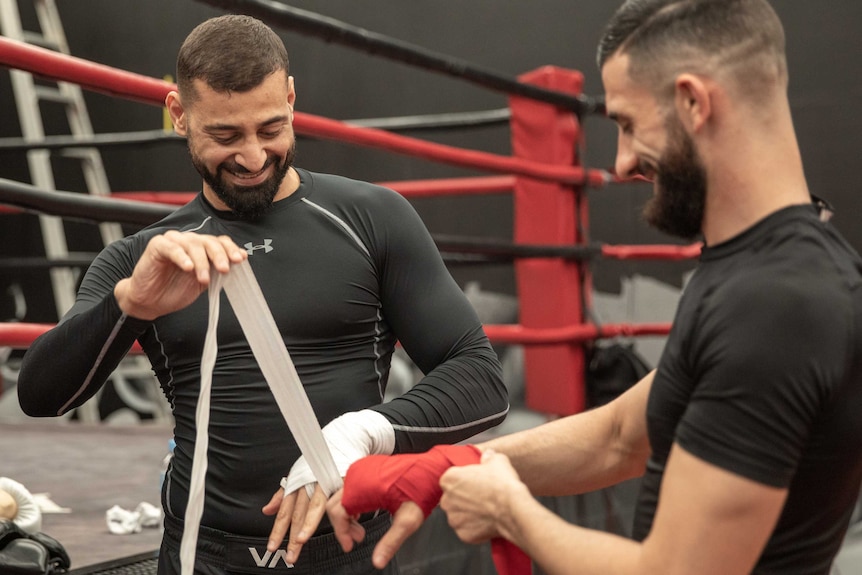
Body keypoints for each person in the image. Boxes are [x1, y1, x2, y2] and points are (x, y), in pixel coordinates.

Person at [328, 1, 862, 574]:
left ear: (693, 102)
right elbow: (622, 435)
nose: (624, 161)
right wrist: (448, 465)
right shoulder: (763, 266)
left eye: (629, 124)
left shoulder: (775, 303)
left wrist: (509, 512)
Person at [16, 14, 508, 575]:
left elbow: (480, 377)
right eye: (225, 136)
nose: (252, 157)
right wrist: (130, 306)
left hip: (348, 543)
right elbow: (40, 395)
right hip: (204, 550)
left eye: (271, 129)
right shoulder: (143, 259)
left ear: (293, 100)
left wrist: (358, 435)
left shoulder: (371, 219)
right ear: (179, 114)